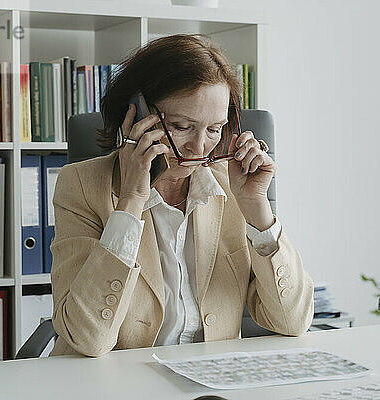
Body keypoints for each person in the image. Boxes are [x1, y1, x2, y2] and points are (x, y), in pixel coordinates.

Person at [49, 34, 314, 358]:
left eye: (214, 129)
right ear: (136, 113)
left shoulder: (232, 189)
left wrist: (258, 210)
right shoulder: (81, 185)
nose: (199, 146)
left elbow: (293, 321)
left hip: (207, 384)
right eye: (182, 126)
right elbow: (86, 338)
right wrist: (131, 200)